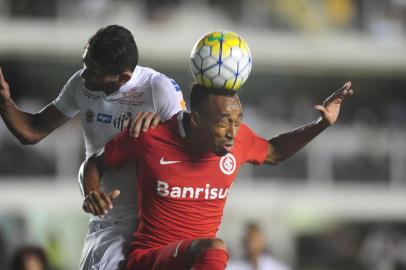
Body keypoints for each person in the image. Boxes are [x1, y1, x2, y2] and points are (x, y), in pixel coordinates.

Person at [83, 82, 353, 270]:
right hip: (149, 261)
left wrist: (321, 124)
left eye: (238, 122)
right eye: (224, 122)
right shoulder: (150, 136)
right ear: (197, 119)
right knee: (214, 248)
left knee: (212, 251)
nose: (233, 132)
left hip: (195, 264)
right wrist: (92, 193)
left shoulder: (238, 141)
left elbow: (273, 152)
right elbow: (94, 165)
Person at [0, 25, 185, 270]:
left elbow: (189, 151)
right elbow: (32, 130)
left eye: (94, 71)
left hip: (154, 221)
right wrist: (4, 101)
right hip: (106, 220)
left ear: (123, 78)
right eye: (85, 64)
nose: (84, 75)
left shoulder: (158, 89)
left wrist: (162, 128)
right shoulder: (80, 83)